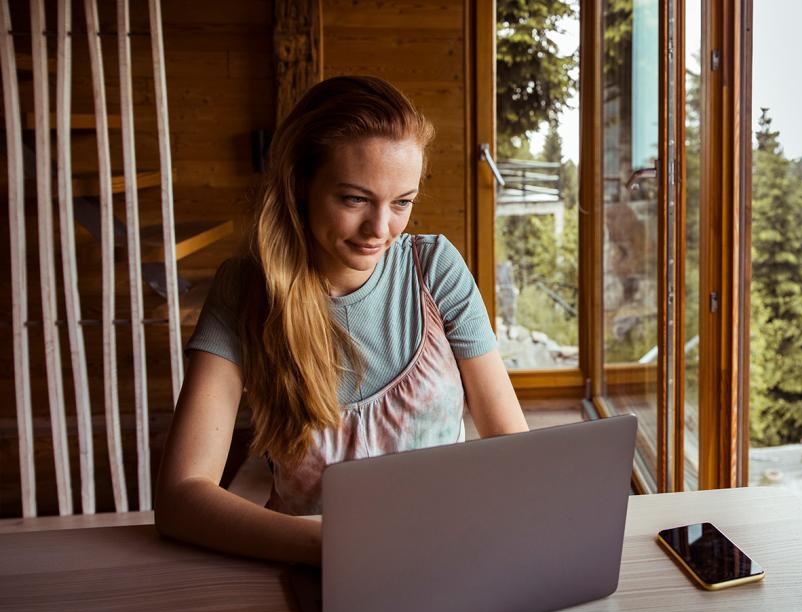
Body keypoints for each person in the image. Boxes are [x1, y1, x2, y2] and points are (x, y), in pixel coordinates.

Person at [154, 76, 529, 565]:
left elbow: (514, 450)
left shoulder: (434, 267)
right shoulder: (244, 290)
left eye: (402, 203)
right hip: (311, 566)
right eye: (354, 199)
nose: (380, 229)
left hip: (445, 556)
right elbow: (181, 495)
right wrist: (335, 552)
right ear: (300, 185)